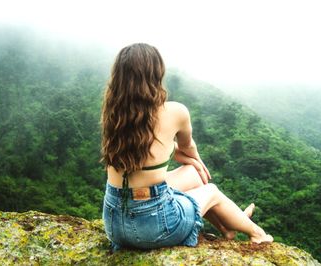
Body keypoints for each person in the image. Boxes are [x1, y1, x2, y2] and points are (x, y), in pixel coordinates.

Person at [100, 43, 273, 251]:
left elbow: (146, 146)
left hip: (114, 223)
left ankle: (229, 228)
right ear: (156, 74)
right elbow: (189, 147)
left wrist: (180, 155)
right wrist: (192, 157)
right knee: (211, 190)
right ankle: (257, 233)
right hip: (152, 227)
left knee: (193, 174)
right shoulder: (175, 112)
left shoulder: (113, 116)